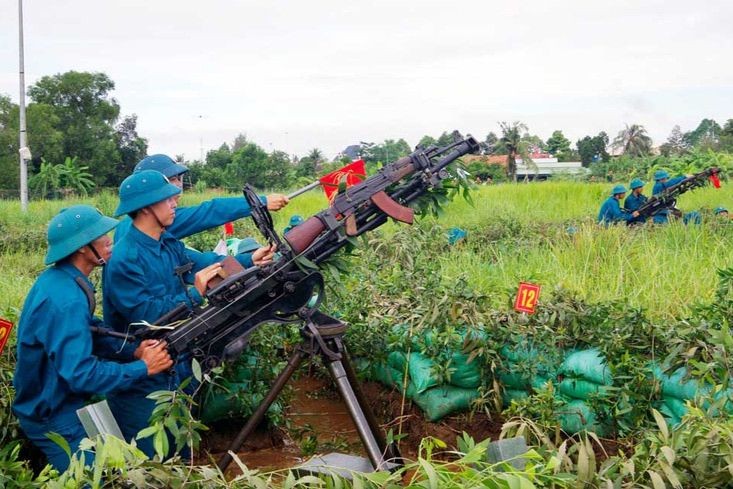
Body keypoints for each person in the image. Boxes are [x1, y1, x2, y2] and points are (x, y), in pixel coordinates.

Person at [102, 170, 275, 458]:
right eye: (167, 199)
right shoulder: (124, 258)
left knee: (182, 453)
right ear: (146, 207)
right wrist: (195, 293)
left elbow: (203, 264)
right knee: (153, 461)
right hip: (143, 377)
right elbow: (146, 318)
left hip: (175, 364)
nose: (175, 203)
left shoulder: (167, 243)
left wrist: (248, 260)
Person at [13, 205, 173, 472]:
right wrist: (142, 368)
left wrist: (132, 350)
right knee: (95, 478)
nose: (110, 240)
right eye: (101, 236)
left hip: (66, 402)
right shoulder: (66, 300)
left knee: (116, 468)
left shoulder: (65, 280)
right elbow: (81, 373)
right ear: (82, 248)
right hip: (50, 414)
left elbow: (91, 330)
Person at [114, 154, 289, 243]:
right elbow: (209, 211)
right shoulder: (153, 221)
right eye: (171, 180)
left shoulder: (130, 224)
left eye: (178, 180)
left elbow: (181, 256)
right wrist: (261, 202)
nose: (178, 187)